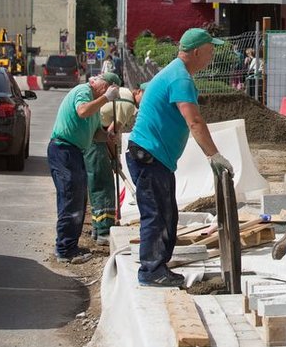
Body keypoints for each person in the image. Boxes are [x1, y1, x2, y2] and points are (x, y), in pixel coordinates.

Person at [127, 28, 234, 287]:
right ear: (197, 51)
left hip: (154, 157)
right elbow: (195, 121)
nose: (211, 56)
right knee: (156, 214)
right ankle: (151, 272)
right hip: (149, 156)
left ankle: (158, 267)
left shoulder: (176, 73)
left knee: (167, 215)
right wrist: (214, 156)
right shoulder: (180, 79)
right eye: (210, 50)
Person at [47, 72, 122, 264]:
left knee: (78, 200)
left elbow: (96, 134)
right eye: (107, 92)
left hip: (74, 152)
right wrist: (106, 98)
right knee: (71, 199)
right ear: (105, 87)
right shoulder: (84, 91)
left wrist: (108, 136)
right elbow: (81, 111)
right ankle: (64, 249)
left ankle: (69, 245)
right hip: (63, 149)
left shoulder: (95, 107)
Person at [85, 83, 146, 246]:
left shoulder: (124, 93)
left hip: (90, 138)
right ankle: (104, 231)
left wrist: (113, 156)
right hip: (96, 142)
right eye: (144, 95)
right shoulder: (127, 105)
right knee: (104, 186)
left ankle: (97, 229)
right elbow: (111, 135)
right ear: (138, 91)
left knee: (96, 185)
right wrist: (114, 158)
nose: (144, 100)